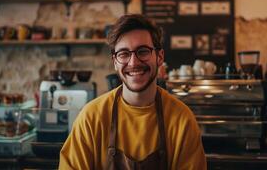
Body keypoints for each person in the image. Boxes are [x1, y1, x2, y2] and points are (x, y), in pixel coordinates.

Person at [59, 14, 207, 170]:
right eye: (124, 54)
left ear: (159, 57)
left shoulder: (182, 120)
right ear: (115, 62)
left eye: (142, 51)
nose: (133, 62)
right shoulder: (91, 117)